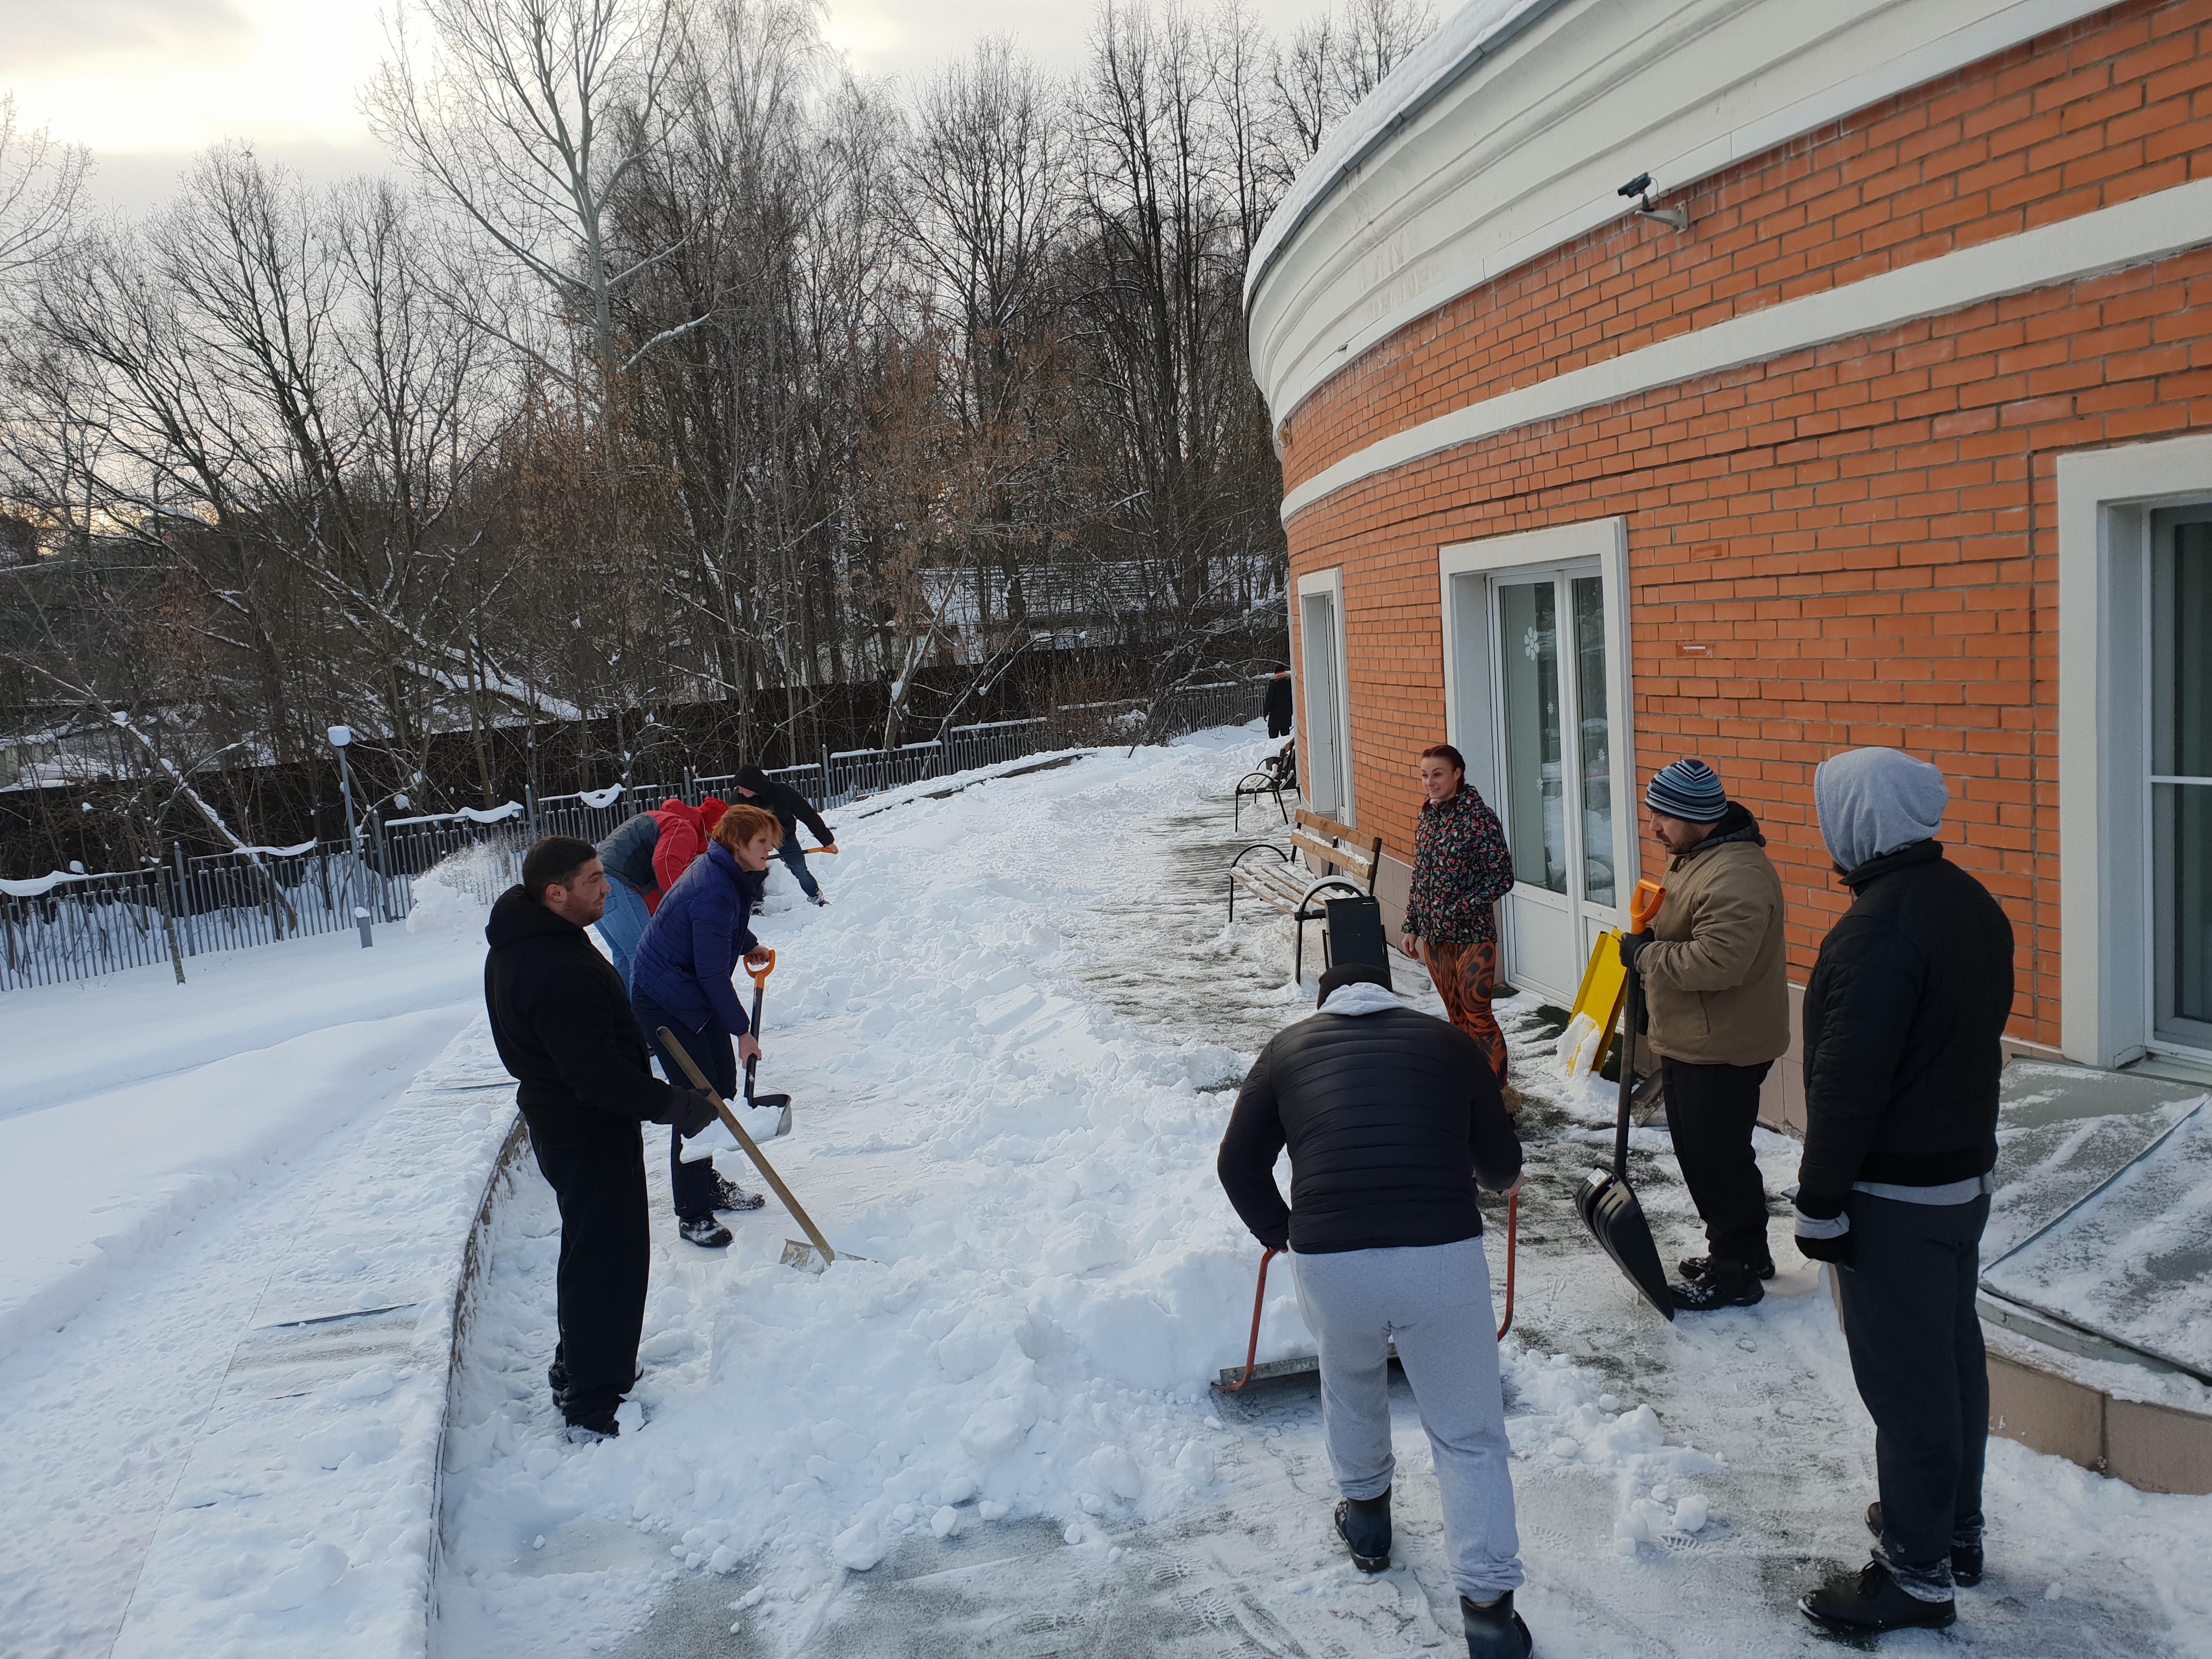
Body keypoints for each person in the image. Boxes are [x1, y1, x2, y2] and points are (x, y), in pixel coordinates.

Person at [1218, 962, 1532, 1659]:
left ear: (1324, 1004)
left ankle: (1367, 1527)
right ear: (1392, 995)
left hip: (1333, 1257)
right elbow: (1502, 1163)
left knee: (1352, 1381)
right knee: (1468, 1435)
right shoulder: (1449, 1043)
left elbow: (1237, 1166)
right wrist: (1486, 1170)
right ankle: (1488, 1620)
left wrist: (1284, 1233)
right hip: (1439, 1253)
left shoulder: (1285, 1049)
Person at [1791, 748, 2013, 1634]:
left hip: (1897, 1193)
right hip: (1959, 1178)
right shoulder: (1968, 901)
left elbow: (1850, 1080)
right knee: (1951, 1357)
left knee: (1907, 1382)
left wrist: (1818, 1198)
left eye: (1832, 811)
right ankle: (1952, 1525)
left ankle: (1916, 1573)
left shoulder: (1879, 928)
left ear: (1860, 818)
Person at [483, 836, 719, 1441]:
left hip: (566, 1123)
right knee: (608, 1261)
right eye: (593, 880)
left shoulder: (529, 940)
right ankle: (592, 1401)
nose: (607, 887)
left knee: (592, 1252)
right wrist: (676, 1106)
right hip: (586, 1128)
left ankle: (582, 1365)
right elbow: (594, 1075)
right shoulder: (555, 966)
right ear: (554, 893)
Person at [1616, 759, 1790, 1312]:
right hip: (1697, 1036)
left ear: (1695, 816)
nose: (1654, 827)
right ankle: (1745, 1250)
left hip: (1721, 1044)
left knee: (1714, 1158)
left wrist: (1647, 955)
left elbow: (1719, 963)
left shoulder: (1736, 874)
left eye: (1661, 816)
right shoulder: (1696, 857)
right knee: (1716, 1153)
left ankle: (1736, 1271)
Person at [631, 803, 786, 1247]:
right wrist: (743, 1032)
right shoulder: (715, 888)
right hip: (664, 1000)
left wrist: (749, 943)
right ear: (736, 843)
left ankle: (706, 1183)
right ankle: (692, 1213)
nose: (769, 850)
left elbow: (722, 927)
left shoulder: (726, 872)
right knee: (698, 1103)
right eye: (762, 842)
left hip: (686, 988)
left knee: (721, 1085)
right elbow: (712, 975)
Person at [1398, 743, 1520, 1109]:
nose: (1430, 782)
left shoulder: (1480, 819)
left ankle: (1499, 1096)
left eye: (1437, 774)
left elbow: (1502, 878)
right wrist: (1412, 925)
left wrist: (1460, 906)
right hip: (1436, 938)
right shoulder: (1428, 817)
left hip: (1472, 936)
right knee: (1455, 1017)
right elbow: (1421, 876)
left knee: (1477, 1012)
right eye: (1424, 775)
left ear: (1457, 774)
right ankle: (1468, 1090)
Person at [592, 796, 716, 990]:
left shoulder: (666, 818)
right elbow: (666, 865)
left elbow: (652, 875)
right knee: (645, 959)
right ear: (712, 830)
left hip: (596, 882)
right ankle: (641, 1019)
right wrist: (682, 908)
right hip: (616, 884)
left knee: (625, 957)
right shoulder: (684, 828)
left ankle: (624, 1014)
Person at [731, 765, 838, 906]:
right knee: (753, 869)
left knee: (799, 868)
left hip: (784, 836)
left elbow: (808, 815)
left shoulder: (782, 793)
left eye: (743, 788)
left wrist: (827, 841)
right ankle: (756, 903)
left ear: (754, 786)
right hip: (756, 839)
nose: (740, 791)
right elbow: (732, 824)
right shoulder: (739, 798)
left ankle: (816, 898)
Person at [650, 795, 729, 900]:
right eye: (714, 838)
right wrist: (679, 900)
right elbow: (666, 863)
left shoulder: (688, 831)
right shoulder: (686, 830)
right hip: (627, 877)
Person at [1264, 663, 1294, 738]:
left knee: (1273, 734)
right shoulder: (1290, 682)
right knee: (1285, 735)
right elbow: (1292, 698)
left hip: (1275, 713)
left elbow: (1270, 698)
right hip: (1287, 712)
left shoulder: (1274, 683)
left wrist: (1266, 712)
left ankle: (1274, 749)